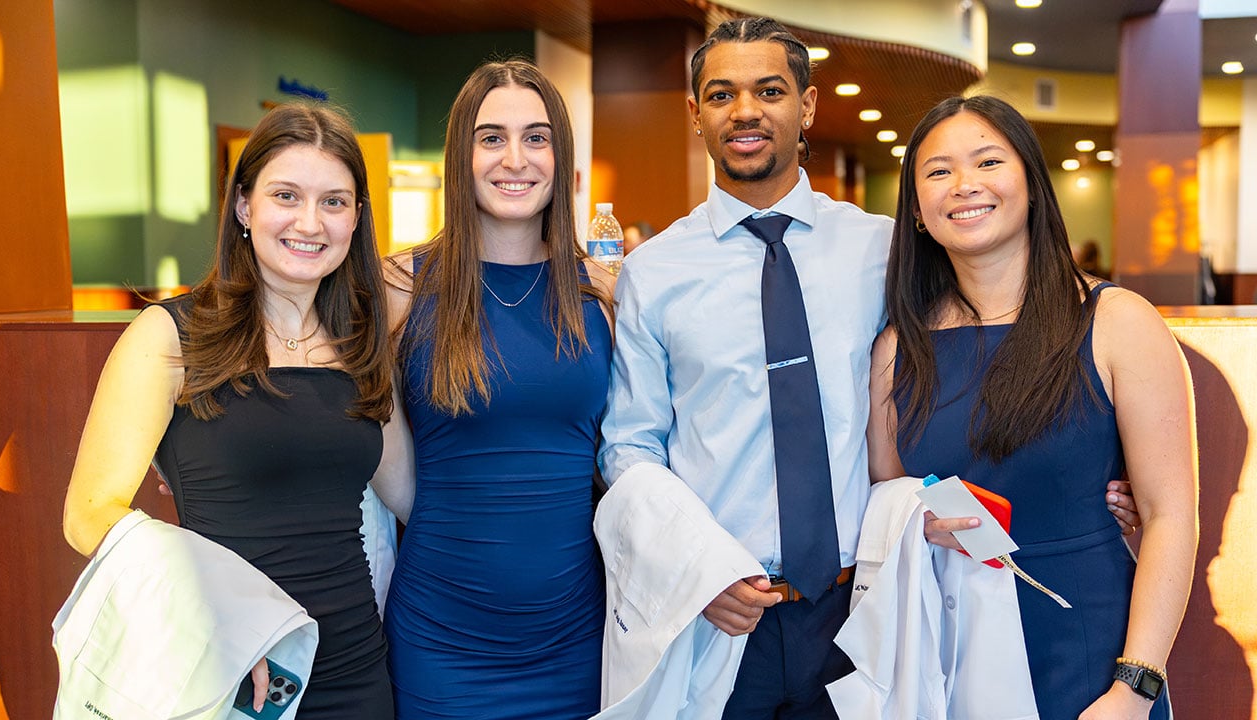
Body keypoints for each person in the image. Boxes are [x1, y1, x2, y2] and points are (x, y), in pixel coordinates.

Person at [599, 17, 1143, 719]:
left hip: (864, 611)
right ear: (694, 113)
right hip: (722, 617)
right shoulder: (653, 272)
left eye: (769, 90)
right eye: (721, 93)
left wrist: (1095, 472)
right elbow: (631, 447)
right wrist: (693, 570)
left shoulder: (885, 250)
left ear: (808, 106)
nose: (745, 111)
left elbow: (967, 374)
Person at [62, 102, 407, 717]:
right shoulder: (170, 334)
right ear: (244, 207)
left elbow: (412, 495)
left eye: (334, 201)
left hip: (355, 668)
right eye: (286, 195)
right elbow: (88, 514)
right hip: (227, 670)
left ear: (357, 217)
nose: (311, 221)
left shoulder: (362, 343)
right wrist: (222, 616)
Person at [867, 95, 1198, 719]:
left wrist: (1134, 688)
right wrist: (917, 519)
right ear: (915, 211)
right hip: (949, 650)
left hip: (1090, 650)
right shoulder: (897, 348)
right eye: (938, 172)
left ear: (1030, 183)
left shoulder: (1116, 320)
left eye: (988, 161)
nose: (965, 185)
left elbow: (1170, 517)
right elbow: (887, 490)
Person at [379, 59, 615, 719]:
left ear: (562, 159)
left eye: (537, 137)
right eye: (492, 137)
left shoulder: (603, 292)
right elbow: (378, 455)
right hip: (440, 636)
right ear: (462, 154)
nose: (516, 158)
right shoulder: (400, 287)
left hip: (574, 639)